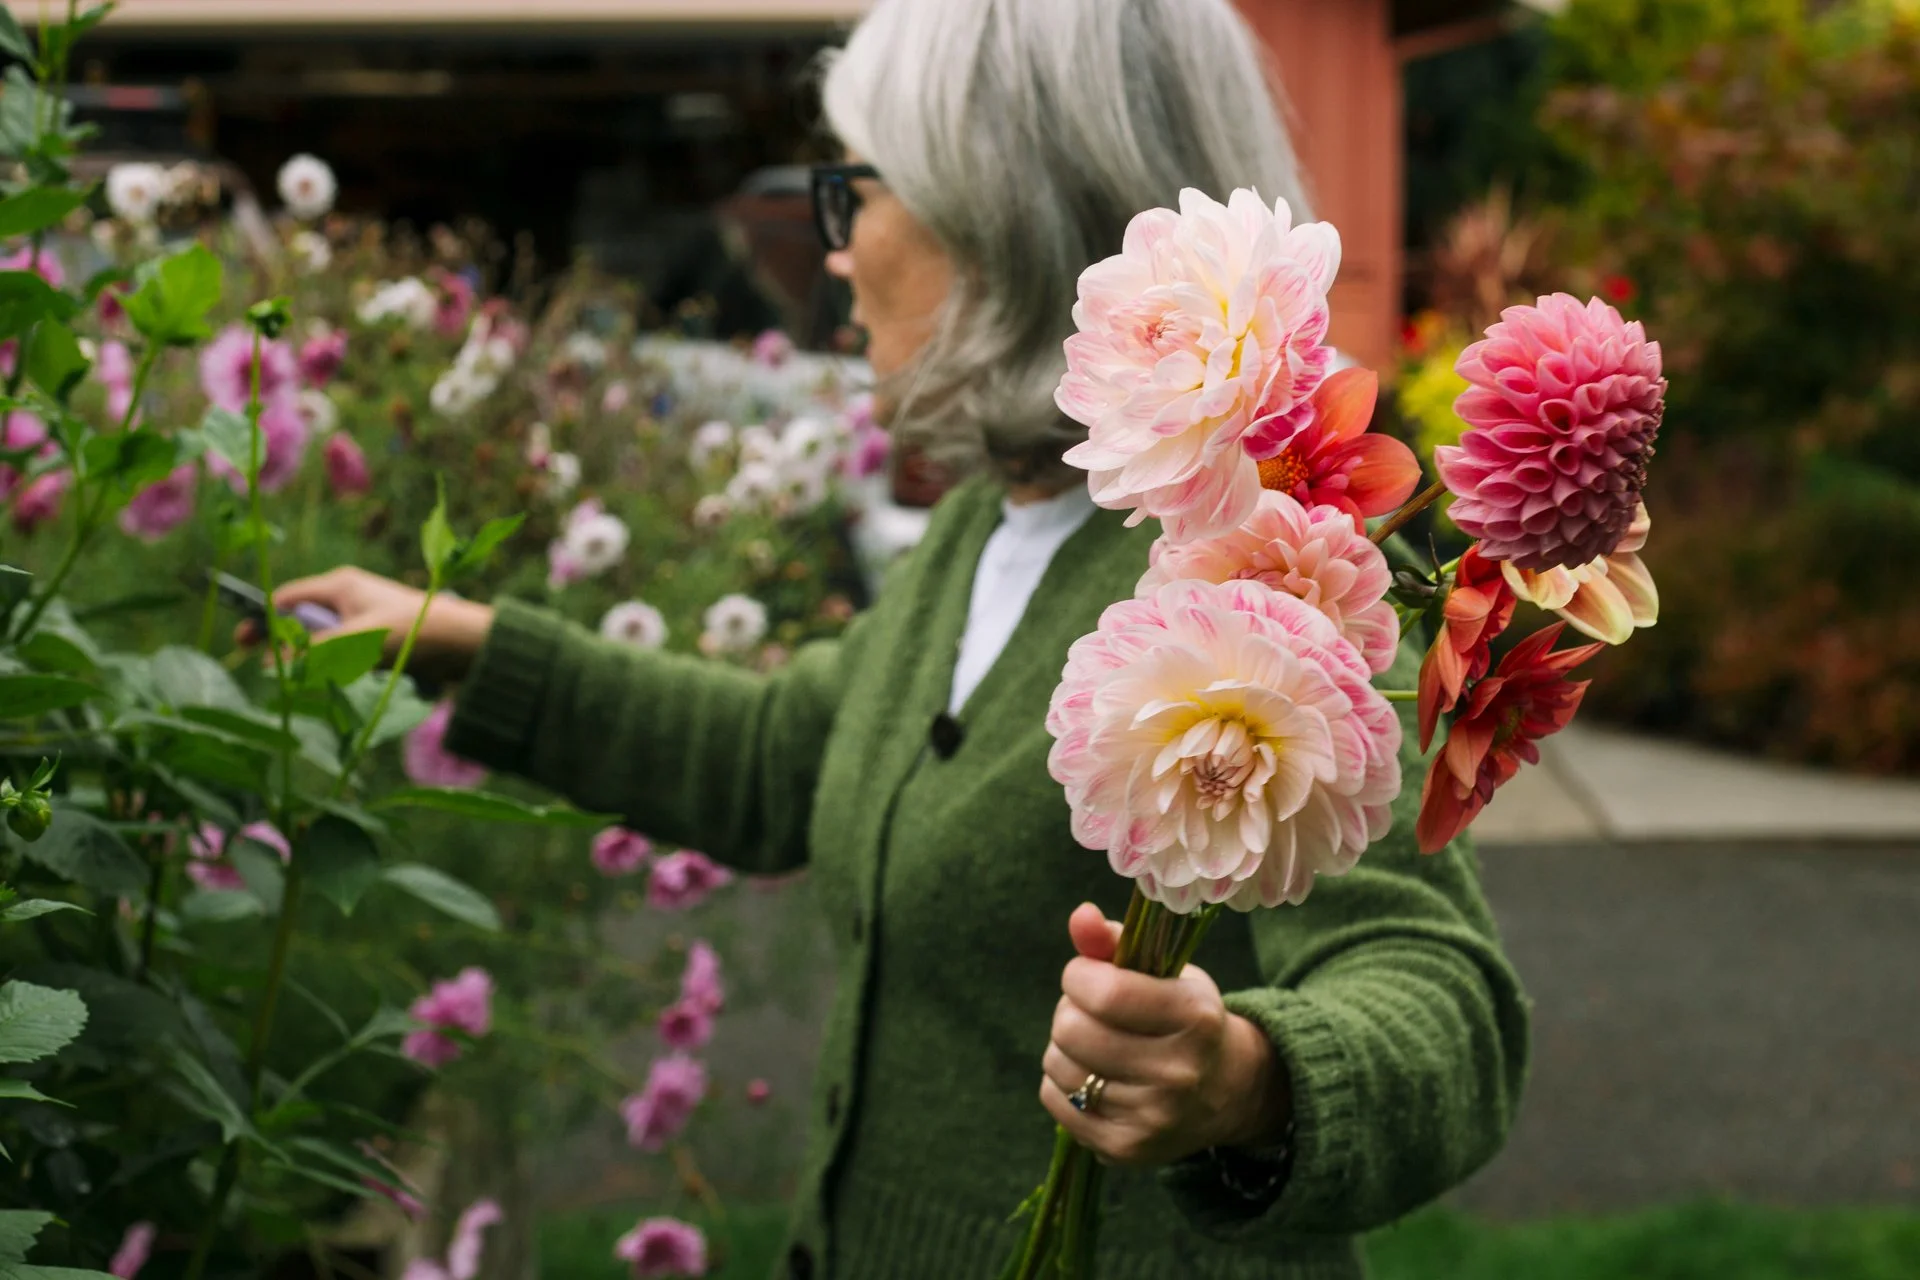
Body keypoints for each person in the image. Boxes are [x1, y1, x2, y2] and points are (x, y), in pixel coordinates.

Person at [273, 1, 1528, 1276]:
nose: (832, 252)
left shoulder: (1268, 566)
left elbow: (1440, 998)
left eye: (848, 193)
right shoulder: (998, 522)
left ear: (1001, 215)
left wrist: (1246, 1081)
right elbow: (791, 751)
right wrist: (461, 643)